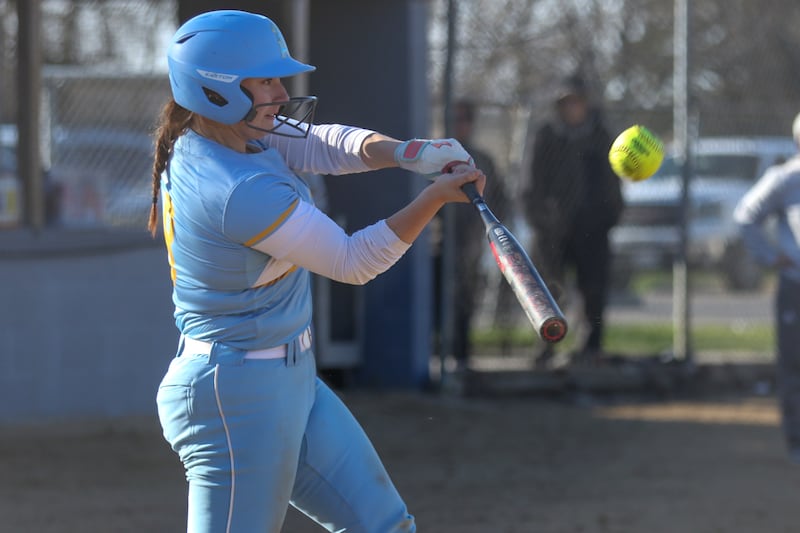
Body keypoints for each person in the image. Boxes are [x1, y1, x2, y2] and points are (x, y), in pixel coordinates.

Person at [148, 10, 485, 533]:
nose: (281, 93)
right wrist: (435, 198)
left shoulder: (221, 135)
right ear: (216, 90)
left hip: (289, 378)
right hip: (236, 396)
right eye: (265, 80)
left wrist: (408, 153)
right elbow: (352, 262)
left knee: (386, 526)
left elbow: (319, 142)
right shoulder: (237, 188)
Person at [523, 74, 624, 368]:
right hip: (552, 230)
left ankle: (590, 350)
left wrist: (607, 218)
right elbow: (530, 185)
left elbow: (612, 186)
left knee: (593, 290)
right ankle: (546, 348)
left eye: (577, 102)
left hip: (592, 229)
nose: (572, 108)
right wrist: (541, 222)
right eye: (566, 103)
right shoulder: (546, 135)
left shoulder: (600, 135)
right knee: (549, 290)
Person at [733, 112, 800, 464]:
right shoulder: (786, 179)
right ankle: (796, 441)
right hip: (795, 285)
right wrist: (773, 258)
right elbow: (746, 216)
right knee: (793, 365)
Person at [449, 100, 512, 365]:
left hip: (469, 240)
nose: (460, 125)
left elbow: (500, 200)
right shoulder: (433, 155)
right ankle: (439, 354)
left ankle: (461, 355)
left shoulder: (481, 159)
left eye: (465, 120)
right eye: (455, 119)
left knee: (465, 295)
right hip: (436, 240)